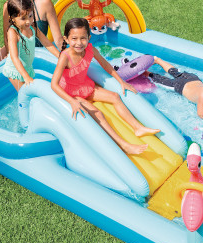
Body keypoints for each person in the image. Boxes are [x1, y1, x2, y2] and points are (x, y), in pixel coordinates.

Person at [51, 18, 160, 155]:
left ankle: (138, 128)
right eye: (74, 38)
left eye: (83, 38)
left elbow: (106, 65)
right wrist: (72, 101)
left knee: (115, 96)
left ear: (89, 38)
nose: (79, 43)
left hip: (84, 86)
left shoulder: (91, 49)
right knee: (99, 114)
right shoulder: (65, 57)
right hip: (71, 94)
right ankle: (123, 145)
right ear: (66, 39)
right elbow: (54, 85)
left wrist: (121, 81)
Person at [149, 58, 203, 130]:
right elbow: (201, 114)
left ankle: (158, 60)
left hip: (192, 78)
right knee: (159, 80)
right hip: (180, 86)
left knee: (175, 72)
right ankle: (145, 72)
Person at [2, 0, 60, 91]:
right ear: (12, 18)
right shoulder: (13, 32)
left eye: (30, 16)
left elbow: (46, 43)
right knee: (25, 95)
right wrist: (25, 76)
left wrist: (60, 56)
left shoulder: (32, 27)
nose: (28, 21)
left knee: (32, 94)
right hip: (15, 70)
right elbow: (14, 57)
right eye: (23, 18)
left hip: (27, 68)